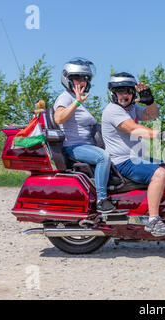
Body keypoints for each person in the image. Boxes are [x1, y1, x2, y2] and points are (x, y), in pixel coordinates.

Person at [101, 72, 165, 236]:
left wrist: (150, 102)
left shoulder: (132, 108)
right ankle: (154, 221)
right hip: (123, 161)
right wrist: (163, 135)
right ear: (112, 93)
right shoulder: (113, 110)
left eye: (128, 91)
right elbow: (134, 129)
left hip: (136, 157)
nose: (124, 95)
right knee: (159, 173)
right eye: (119, 91)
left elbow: (152, 114)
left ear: (133, 93)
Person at [53, 57, 115, 213]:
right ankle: (102, 200)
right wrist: (76, 103)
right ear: (67, 79)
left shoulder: (75, 98)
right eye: (77, 78)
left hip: (86, 145)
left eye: (85, 79)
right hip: (74, 146)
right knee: (103, 157)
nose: (82, 82)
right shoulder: (65, 97)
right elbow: (58, 118)